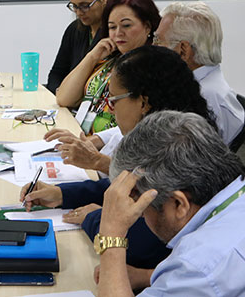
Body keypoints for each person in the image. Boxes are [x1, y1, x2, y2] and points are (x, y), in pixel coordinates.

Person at [22, 45, 215, 268]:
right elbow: (127, 185)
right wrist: (62, 194)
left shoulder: (179, 148)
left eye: (113, 100)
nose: (110, 110)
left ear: (143, 103)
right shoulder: (167, 134)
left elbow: (144, 244)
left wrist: (99, 218)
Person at [98, 110, 245, 296]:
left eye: (142, 210)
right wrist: (145, 276)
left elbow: (209, 274)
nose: (141, 218)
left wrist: (111, 234)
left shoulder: (198, 266)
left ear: (179, 204)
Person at [56, 0, 161, 134]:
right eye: (112, 27)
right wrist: (92, 56)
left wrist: (94, 143)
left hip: (113, 149)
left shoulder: (155, 67)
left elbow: (143, 126)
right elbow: (63, 98)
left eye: (126, 25)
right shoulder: (109, 60)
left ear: (147, 26)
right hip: (82, 138)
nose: (118, 33)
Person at [153, 1, 244, 145]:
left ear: (183, 50)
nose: (153, 47)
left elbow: (185, 160)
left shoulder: (205, 99)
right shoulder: (190, 83)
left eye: (158, 40)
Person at [46, 0, 113, 93]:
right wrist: (60, 93)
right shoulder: (74, 29)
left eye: (85, 5)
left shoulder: (115, 33)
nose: (79, 12)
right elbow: (57, 72)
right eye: (74, 6)